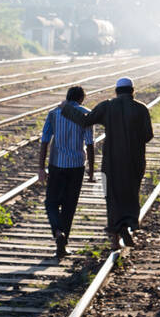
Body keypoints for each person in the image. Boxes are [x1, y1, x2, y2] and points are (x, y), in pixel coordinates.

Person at [60, 77, 154, 253]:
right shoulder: (141, 109)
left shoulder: (107, 106)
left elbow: (86, 120)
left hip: (112, 161)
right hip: (134, 161)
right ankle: (128, 225)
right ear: (132, 91)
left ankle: (115, 239)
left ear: (116, 91)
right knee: (130, 193)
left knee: (112, 196)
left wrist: (66, 108)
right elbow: (148, 135)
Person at [39, 84, 94, 260]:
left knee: (51, 202)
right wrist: (92, 171)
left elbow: (44, 141)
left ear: (67, 97)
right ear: (81, 99)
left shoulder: (54, 113)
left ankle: (57, 232)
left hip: (57, 165)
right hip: (77, 166)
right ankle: (63, 243)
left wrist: (41, 168)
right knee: (70, 205)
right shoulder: (86, 114)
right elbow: (91, 144)